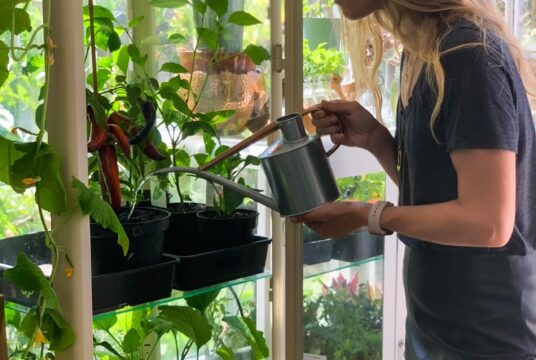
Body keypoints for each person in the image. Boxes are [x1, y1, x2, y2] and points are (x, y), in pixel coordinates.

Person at [291, 0, 536, 359]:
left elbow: (488, 223)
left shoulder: (468, 54)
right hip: (435, 320)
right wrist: (375, 139)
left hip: (488, 334)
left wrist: (366, 214)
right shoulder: (423, 51)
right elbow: (437, 190)